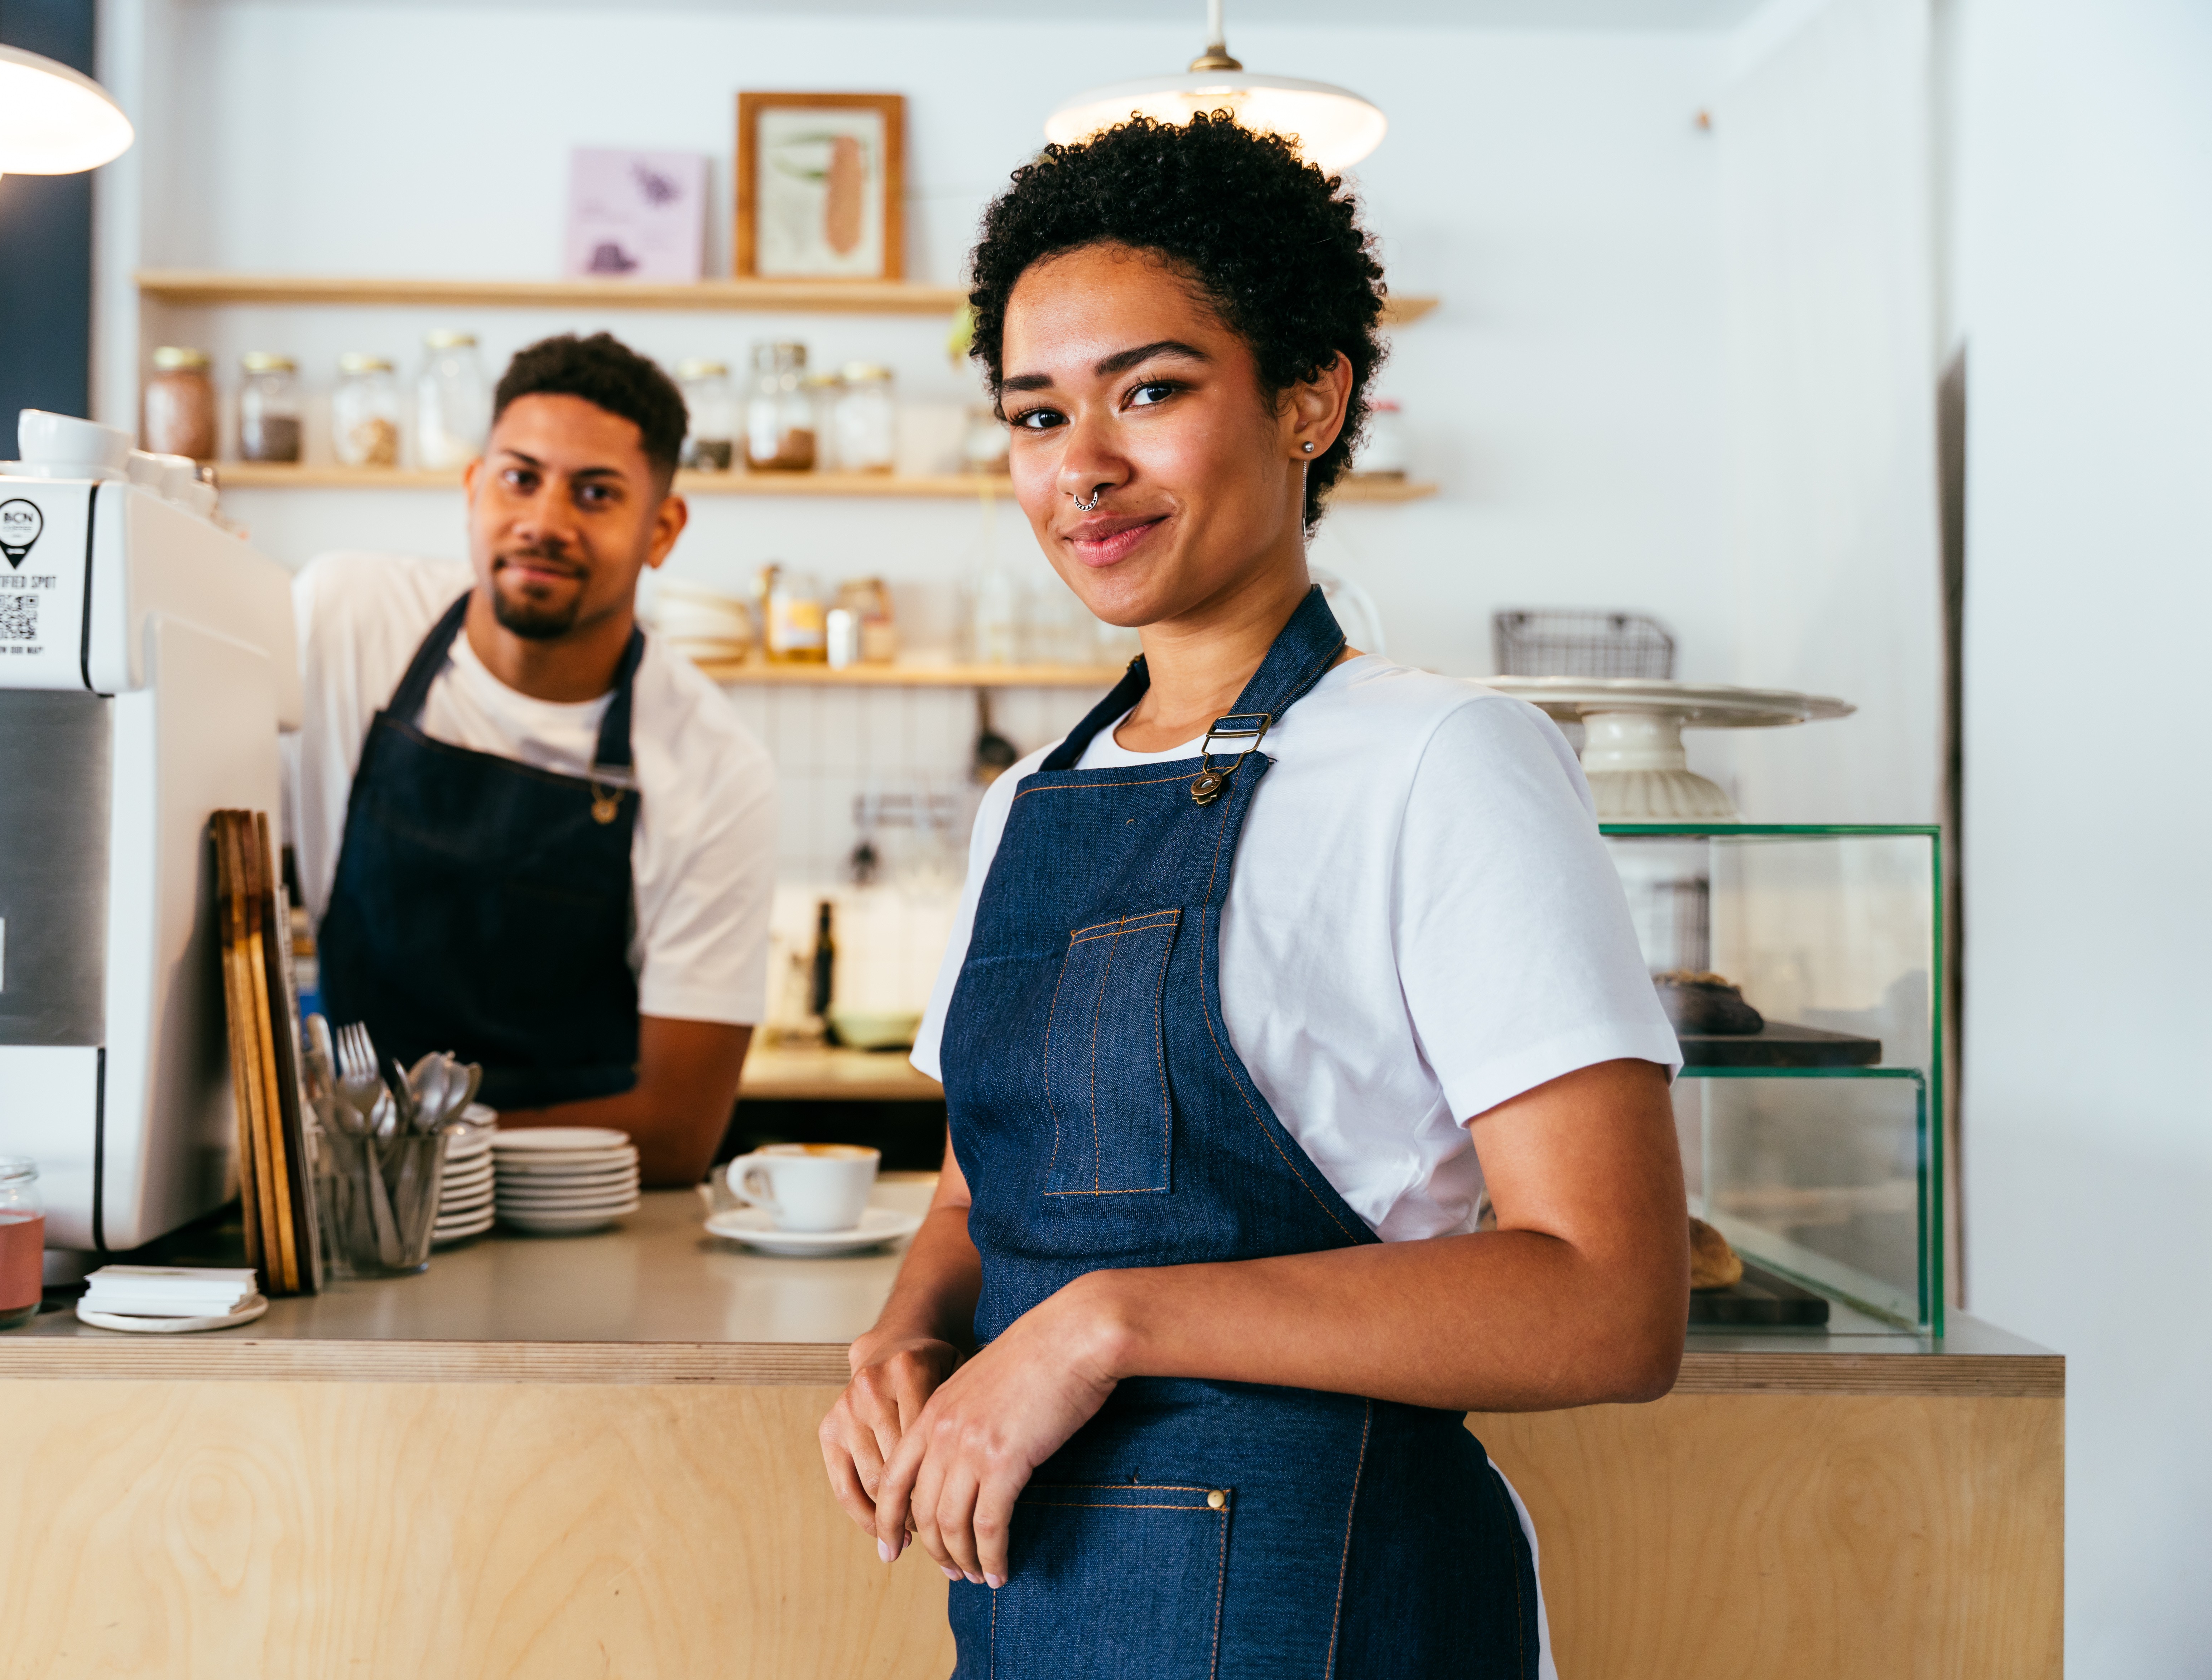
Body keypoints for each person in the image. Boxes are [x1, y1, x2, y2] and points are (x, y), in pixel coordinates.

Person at [817, 115, 1688, 1676]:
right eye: (1033, 413)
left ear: (1309, 400)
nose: (1081, 466)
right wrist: (905, 1336)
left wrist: (1108, 1325)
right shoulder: (1029, 802)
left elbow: (1610, 1301)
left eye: (1150, 391)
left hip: (1333, 1605)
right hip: (1038, 1610)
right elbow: (972, 1199)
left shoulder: (1447, 765)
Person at [283, 333, 776, 1184]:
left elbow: (674, 1131)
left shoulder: (716, 769)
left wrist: (389, 1152)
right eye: (519, 478)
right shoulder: (342, 620)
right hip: (343, 1207)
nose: (545, 522)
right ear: (474, 488)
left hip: (575, 1216)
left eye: (595, 493)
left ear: (662, 530)